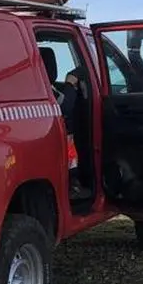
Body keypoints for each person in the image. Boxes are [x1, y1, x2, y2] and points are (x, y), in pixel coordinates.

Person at [56, 69, 90, 200]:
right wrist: (70, 84)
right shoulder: (44, 88)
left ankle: (73, 184)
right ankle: (73, 187)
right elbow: (63, 106)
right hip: (58, 135)